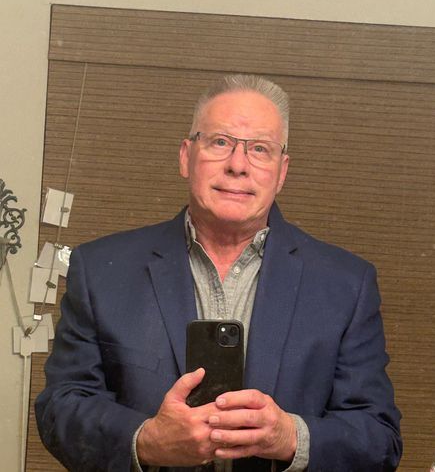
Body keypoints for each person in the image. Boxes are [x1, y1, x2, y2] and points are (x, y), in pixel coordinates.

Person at [36, 74, 402, 471]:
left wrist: (290, 437)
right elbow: (60, 408)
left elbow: (378, 438)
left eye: (260, 149)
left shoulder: (345, 285)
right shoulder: (101, 271)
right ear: (186, 156)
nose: (237, 166)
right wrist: (146, 440)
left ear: (281, 172)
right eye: (220, 142)